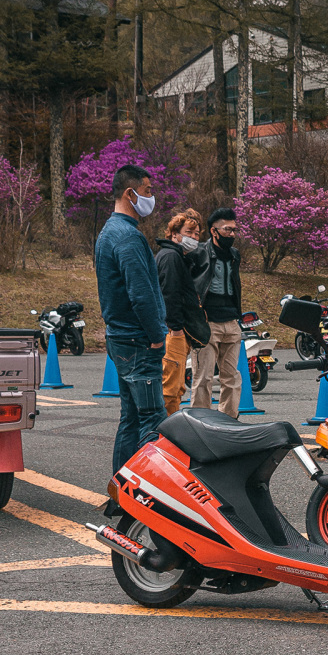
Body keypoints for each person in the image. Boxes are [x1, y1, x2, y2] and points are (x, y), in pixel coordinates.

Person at [94, 164, 168, 474]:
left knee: (131, 417)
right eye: (148, 191)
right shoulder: (128, 237)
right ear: (130, 193)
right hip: (138, 341)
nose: (152, 198)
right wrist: (156, 335)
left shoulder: (107, 232)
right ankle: (149, 490)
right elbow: (141, 294)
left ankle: (121, 489)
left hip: (120, 337)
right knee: (152, 419)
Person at [191, 207, 243, 418]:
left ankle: (229, 421)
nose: (232, 234)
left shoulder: (234, 255)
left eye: (234, 230)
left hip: (231, 321)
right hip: (207, 322)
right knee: (203, 377)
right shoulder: (199, 252)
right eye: (227, 229)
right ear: (214, 231)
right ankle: (200, 422)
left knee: (232, 378)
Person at [154, 209, 203, 415]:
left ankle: (167, 427)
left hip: (177, 330)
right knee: (170, 389)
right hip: (173, 332)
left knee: (177, 387)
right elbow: (170, 294)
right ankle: (163, 430)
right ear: (174, 234)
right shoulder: (171, 257)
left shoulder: (178, 257)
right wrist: (176, 328)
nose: (193, 237)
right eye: (188, 232)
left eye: (197, 234)